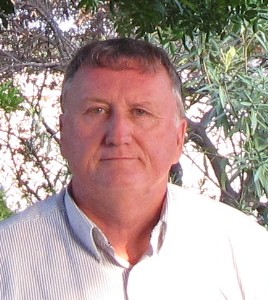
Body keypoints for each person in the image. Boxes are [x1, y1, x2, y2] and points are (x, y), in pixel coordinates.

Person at [0, 38, 268, 300]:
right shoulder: (6, 258)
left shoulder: (245, 248)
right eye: (97, 111)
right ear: (63, 133)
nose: (118, 135)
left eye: (141, 112)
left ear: (179, 138)